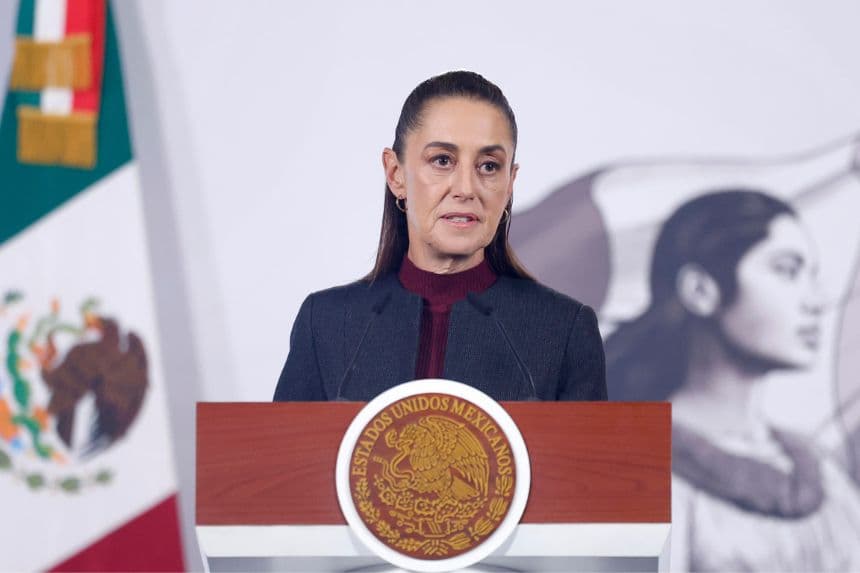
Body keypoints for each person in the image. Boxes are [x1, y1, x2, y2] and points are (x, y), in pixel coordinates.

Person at [273, 71, 607, 402]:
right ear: (396, 174)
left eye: (489, 166)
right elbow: (282, 456)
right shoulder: (326, 324)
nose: (466, 188)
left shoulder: (564, 330)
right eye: (442, 160)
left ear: (509, 183)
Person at [606, 190, 860, 571]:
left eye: (812, 276)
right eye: (788, 271)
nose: (818, 300)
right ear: (701, 290)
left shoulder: (822, 473)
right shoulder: (633, 470)